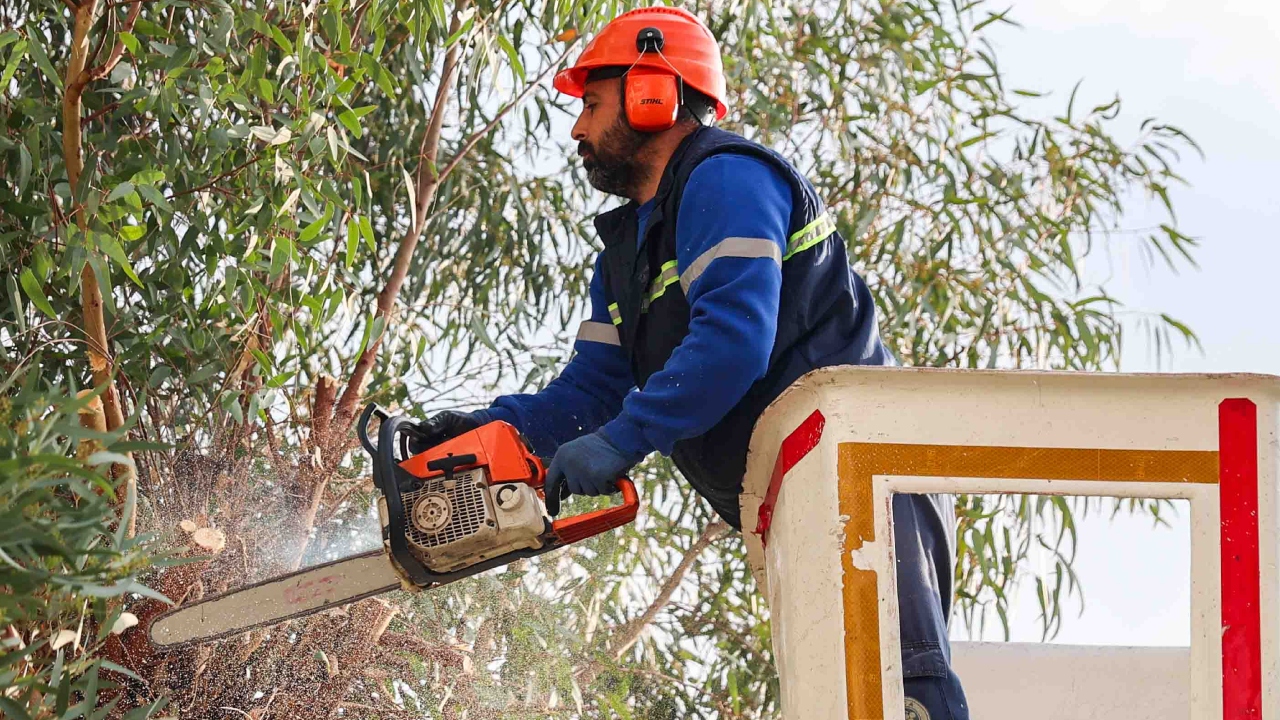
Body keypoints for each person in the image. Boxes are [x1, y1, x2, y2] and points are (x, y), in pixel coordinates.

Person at [414, 7, 968, 718]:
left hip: (862, 470)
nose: (577, 129)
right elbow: (591, 392)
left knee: (901, 688)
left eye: (591, 102)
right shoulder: (624, 260)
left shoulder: (726, 178)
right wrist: (490, 435)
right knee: (840, 698)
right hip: (789, 499)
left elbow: (732, 341)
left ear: (654, 91)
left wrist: (619, 443)